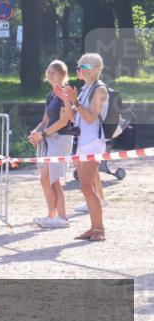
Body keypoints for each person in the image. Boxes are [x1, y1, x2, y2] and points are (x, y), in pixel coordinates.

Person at [58, 53, 109, 241]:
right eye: (80, 66)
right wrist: (66, 98)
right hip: (83, 142)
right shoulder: (85, 88)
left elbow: (89, 117)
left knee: (87, 186)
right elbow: (73, 118)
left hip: (94, 142)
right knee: (86, 187)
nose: (81, 70)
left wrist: (75, 100)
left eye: (86, 66)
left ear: (97, 68)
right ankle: (94, 227)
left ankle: (99, 229)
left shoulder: (100, 90)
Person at [29, 60, 75, 228]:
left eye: (53, 73)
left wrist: (43, 134)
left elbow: (64, 121)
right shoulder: (50, 95)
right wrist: (35, 132)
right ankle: (56, 217)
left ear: (62, 74)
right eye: (48, 72)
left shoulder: (65, 93)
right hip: (49, 139)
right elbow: (45, 120)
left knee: (47, 178)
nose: (49, 75)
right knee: (52, 180)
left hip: (61, 140)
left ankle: (57, 217)